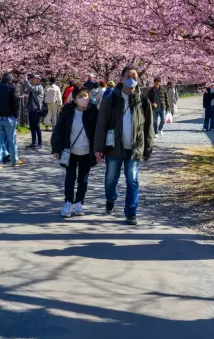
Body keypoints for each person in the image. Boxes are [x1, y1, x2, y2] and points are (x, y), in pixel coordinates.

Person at [95, 66, 154, 225]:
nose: (132, 79)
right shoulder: (111, 99)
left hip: (134, 146)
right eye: (128, 76)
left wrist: (148, 148)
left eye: (134, 77)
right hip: (114, 147)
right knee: (110, 179)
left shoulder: (143, 100)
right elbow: (101, 124)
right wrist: (98, 148)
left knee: (132, 180)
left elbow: (149, 126)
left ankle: (131, 212)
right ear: (121, 78)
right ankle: (110, 197)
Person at [51, 86, 99, 217]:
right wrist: (56, 148)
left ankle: (79, 202)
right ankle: (68, 203)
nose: (84, 99)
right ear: (75, 99)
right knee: (70, 178)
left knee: (83, 179)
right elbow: (59, 129)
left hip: (87, 151)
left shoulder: (93, 110)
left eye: (86, 96)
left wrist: (99, 150)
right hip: (70, 151)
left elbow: (99, 131)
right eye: (80, 97)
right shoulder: (68, 110)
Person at [0, 73, 22, 168]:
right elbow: (15, 103)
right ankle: (14, 161)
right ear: (10, 80)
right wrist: (16, 116)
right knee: (12, 140)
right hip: (9, 118)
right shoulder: (11, 88)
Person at [25, 75, 45, 149]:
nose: (32, 79)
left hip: (36, 109)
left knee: (37, 126)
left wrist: (26, 81)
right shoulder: (34, 86)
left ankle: (40, 143)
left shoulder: (39, 87)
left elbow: (31, 88)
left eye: (34, 78)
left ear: (38, 80)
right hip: (31, 109)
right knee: (32, 127)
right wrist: (25, 82)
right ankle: (34, 142)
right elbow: (25, 89)